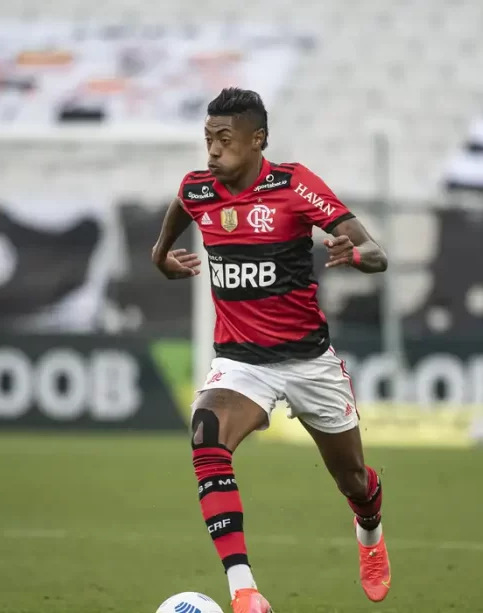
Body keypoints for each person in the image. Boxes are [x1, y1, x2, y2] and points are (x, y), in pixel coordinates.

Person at [151, 88, 390, 613]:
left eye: (224, 140)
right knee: (206, 436)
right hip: (241, 364)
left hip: (309, 362)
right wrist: (162, 256)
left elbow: (376, 252)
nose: (213, 151)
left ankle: (370, 529)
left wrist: (358, 252)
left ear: (257, 140)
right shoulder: (198, 190)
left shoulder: (294, 185)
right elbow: (176, 215)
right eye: (208, 139)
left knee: (352, 478)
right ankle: (244, 590)